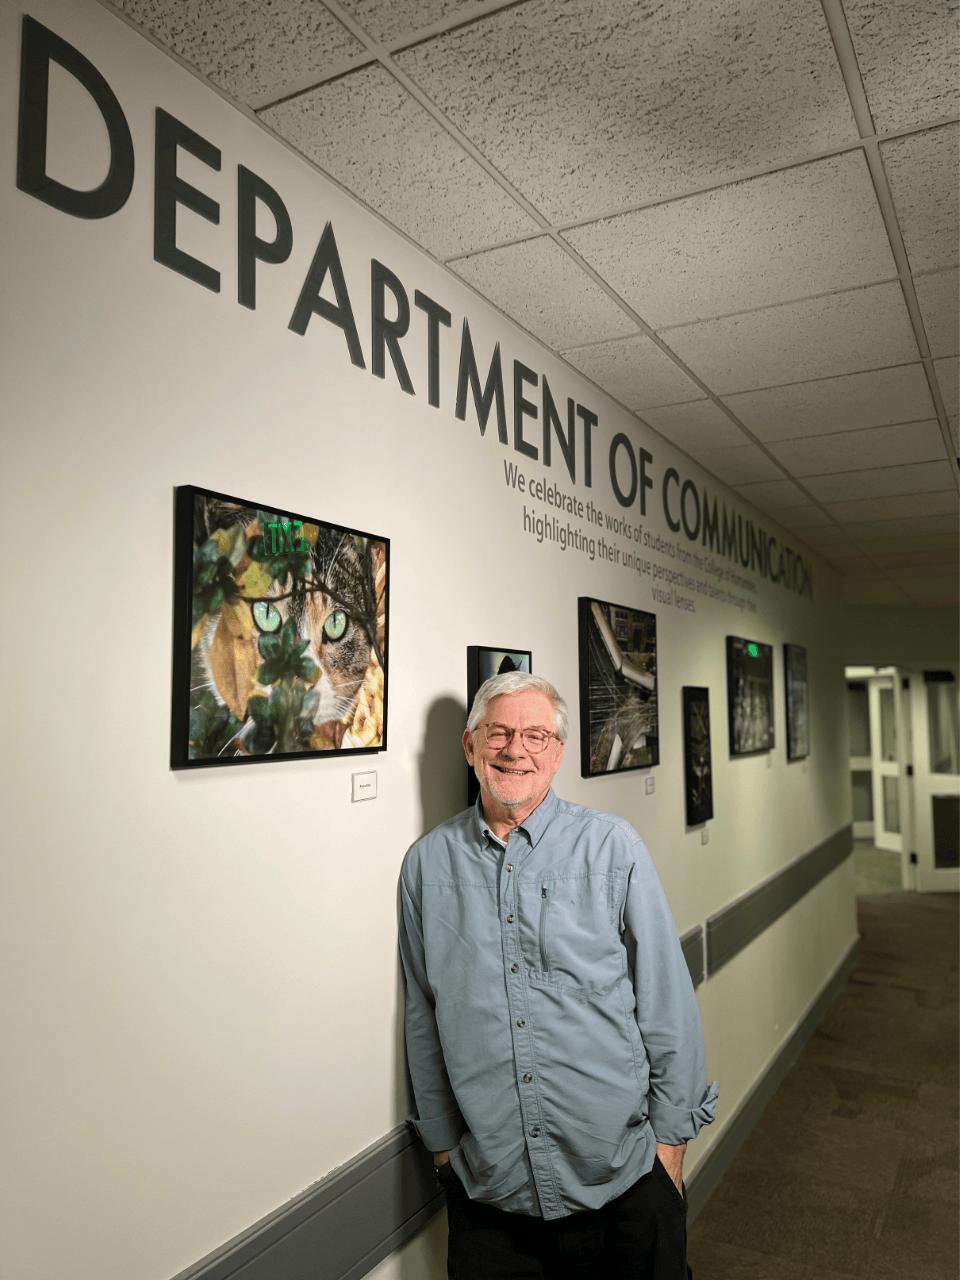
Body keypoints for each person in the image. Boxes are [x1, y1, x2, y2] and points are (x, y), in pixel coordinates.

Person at [399, 672, 718, 1279]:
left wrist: (671, 1145)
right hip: (492, 1196)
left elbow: (665, 997)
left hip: (622, 1181)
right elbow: (423, 1013)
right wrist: (443, 1149)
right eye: (499, 734)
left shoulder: (611, 847)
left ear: (558, 752)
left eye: (535, 736)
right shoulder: (425, 867)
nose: (516, 750)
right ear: (470, 747)